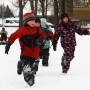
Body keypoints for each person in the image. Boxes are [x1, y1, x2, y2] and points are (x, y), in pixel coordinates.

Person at [5, 12, 46, 86]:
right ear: (26, 21)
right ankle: (29, 78)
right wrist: (8, 44)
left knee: (29, 65)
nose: (33, 22)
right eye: (30, 20)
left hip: (34, 54)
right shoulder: (22, 30)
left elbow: (43, 36)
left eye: (34, 20)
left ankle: (20, 64)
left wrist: (41, 39)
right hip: (25, 53)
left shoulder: (37, 30)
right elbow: (13, 36)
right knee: (26, 67)